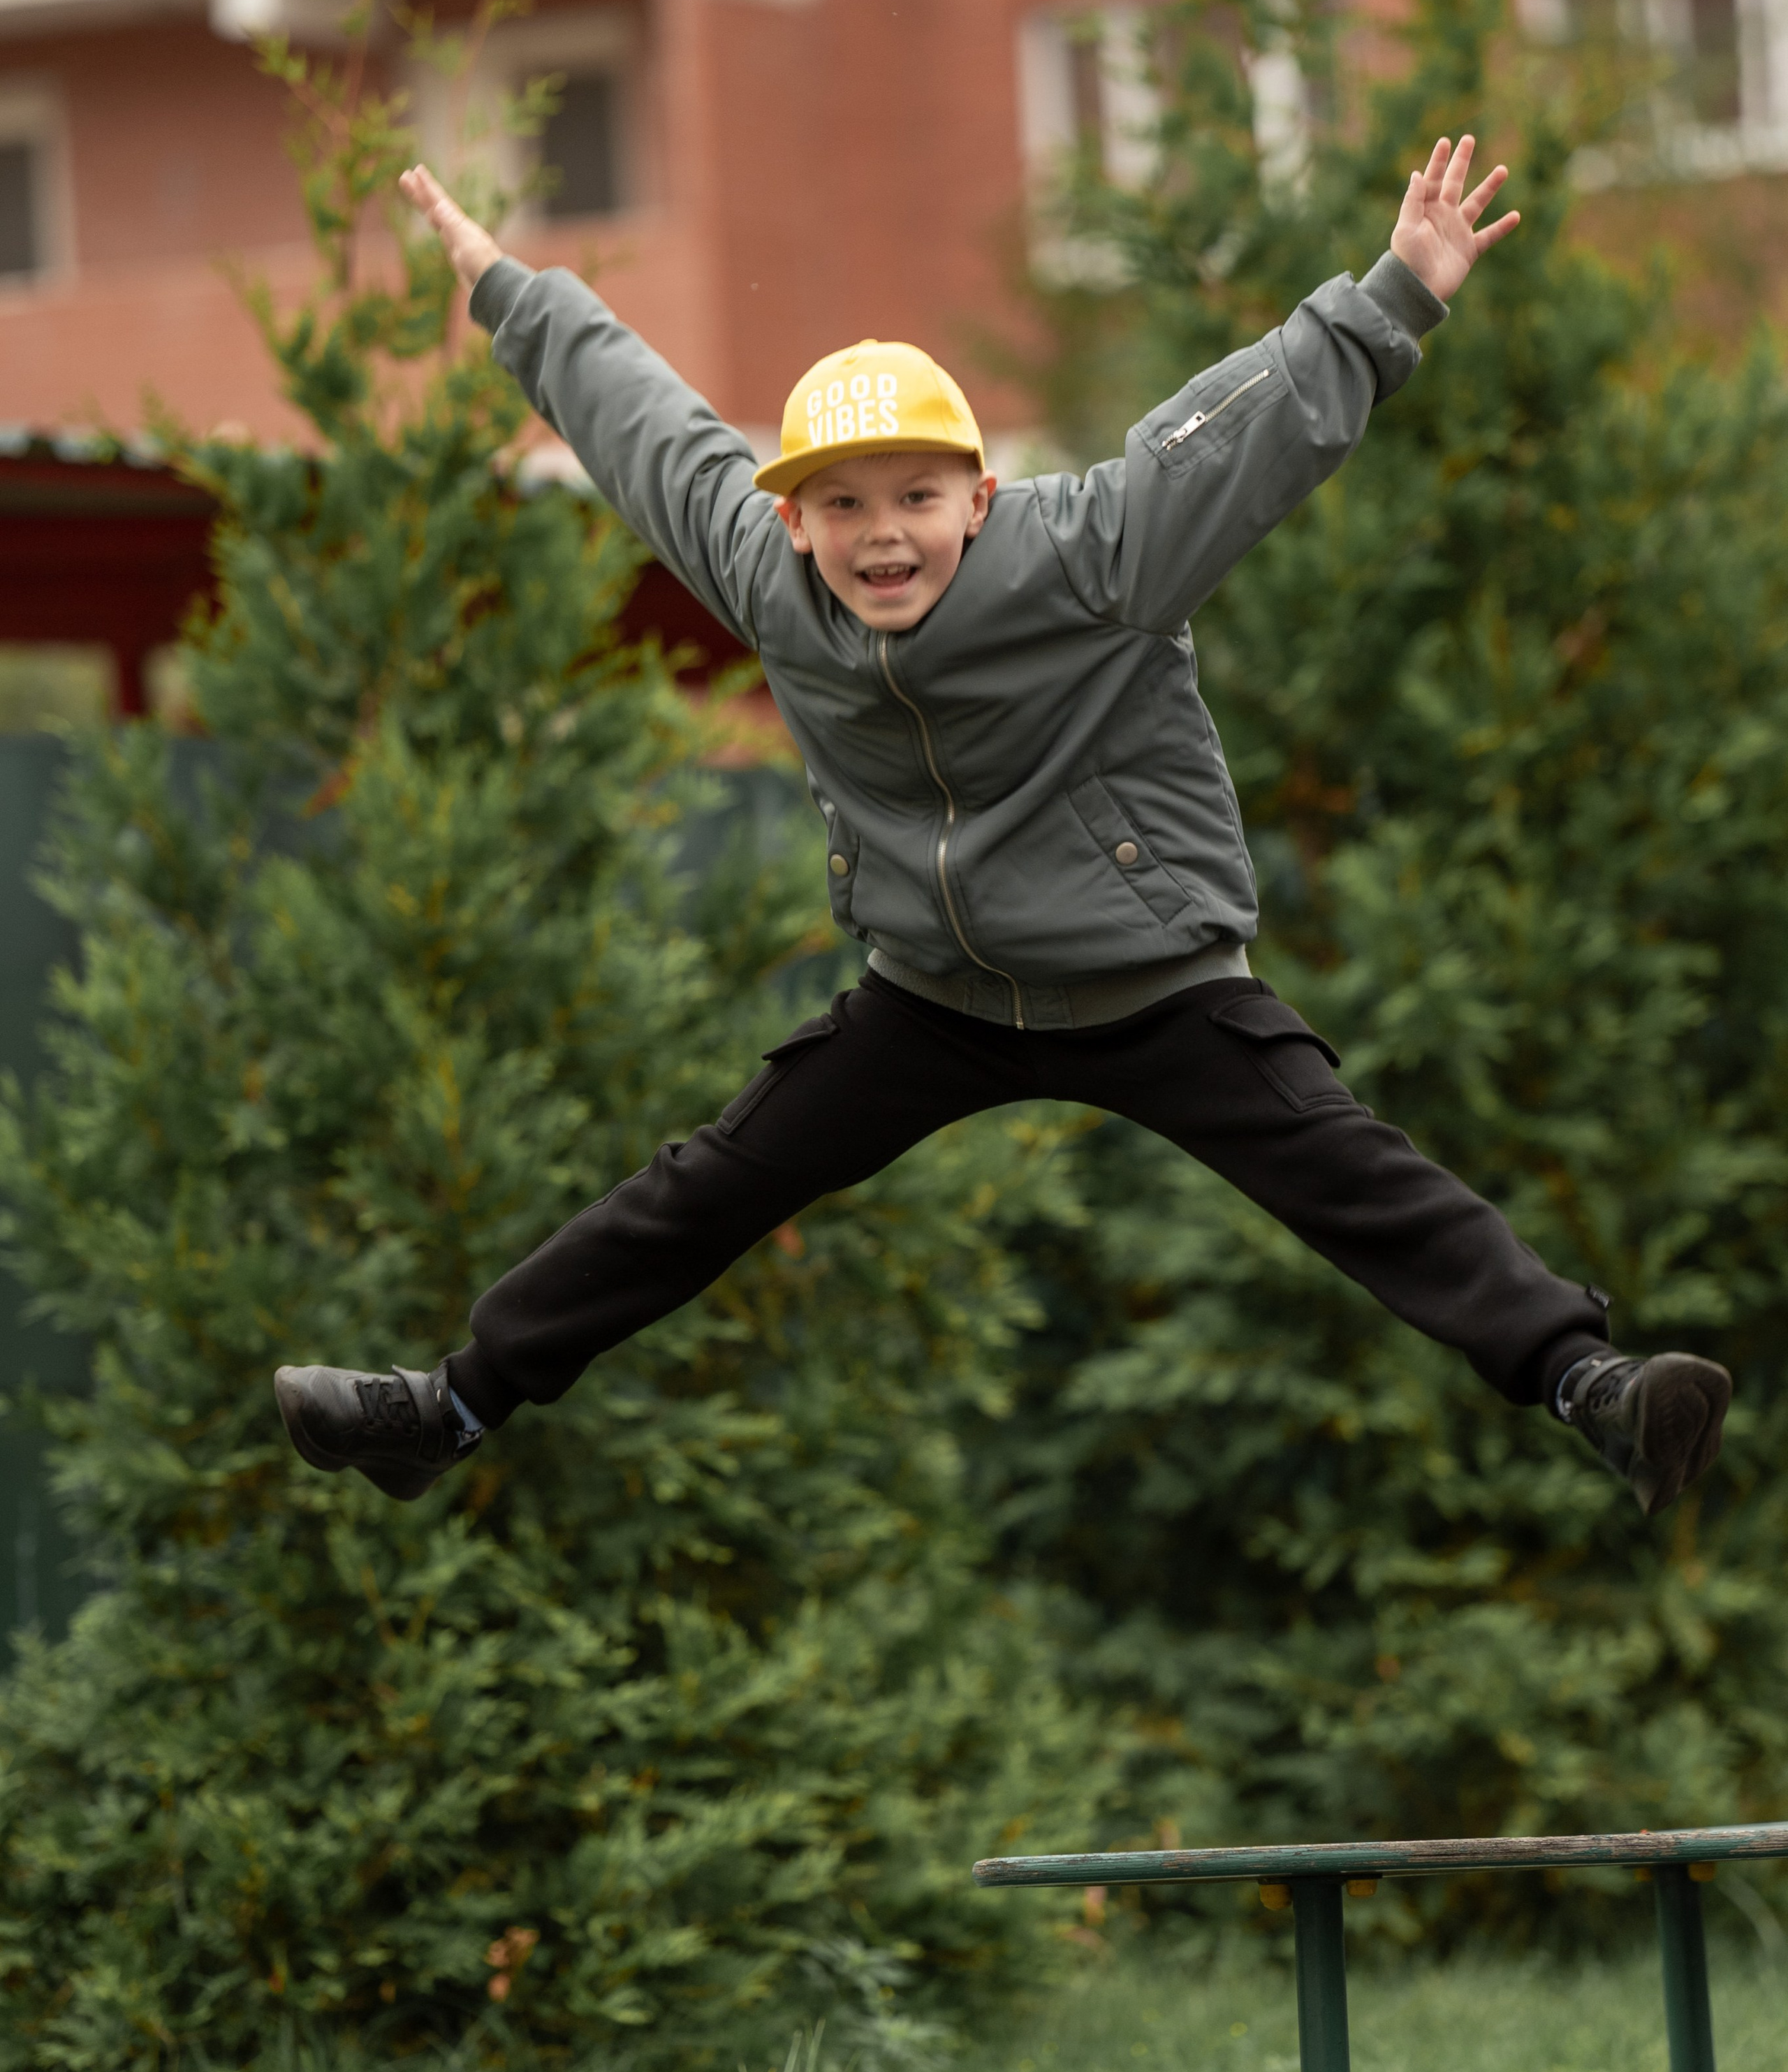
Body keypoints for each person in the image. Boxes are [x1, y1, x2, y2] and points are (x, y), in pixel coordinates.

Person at [276, 139, 1731, 1520]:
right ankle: (447, 1410)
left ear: (979, 496)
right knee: (701, 1189)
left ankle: (1586, 1382)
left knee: (1351, 1175)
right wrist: (507, 289)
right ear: (792, 524)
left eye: (916, 496)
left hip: (1148, 978)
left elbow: (1251, 434)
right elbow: (637, 421)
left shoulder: (1095, 554)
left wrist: (1397, 288)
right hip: (935, 999)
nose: (882, 533)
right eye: (843, 507)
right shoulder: (760, 575)